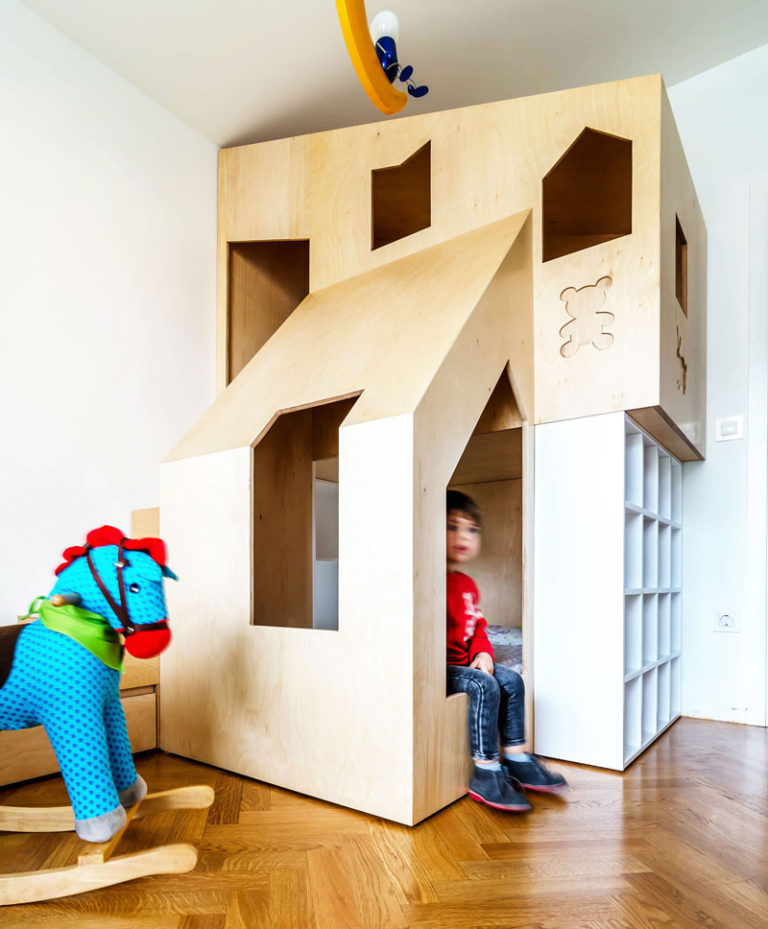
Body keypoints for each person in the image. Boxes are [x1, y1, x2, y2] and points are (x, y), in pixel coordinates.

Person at [446, 490, 567, 811]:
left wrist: (484, 653)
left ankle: (516, 758)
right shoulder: (431, 581)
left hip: (467, 664)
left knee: (512, 680)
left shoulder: (467, 584)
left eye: (471, 529)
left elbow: (478, 629)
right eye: (451, 527)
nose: (463, 536)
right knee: (485, 685)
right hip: (442, 668)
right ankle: (486, 771)